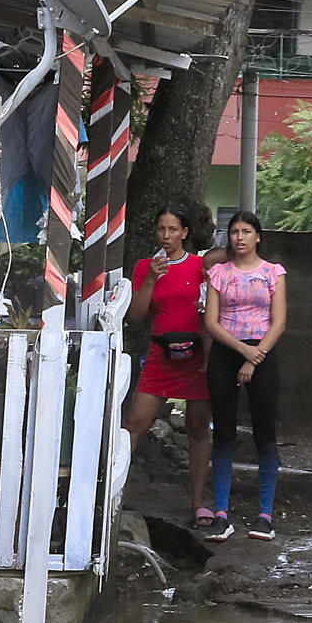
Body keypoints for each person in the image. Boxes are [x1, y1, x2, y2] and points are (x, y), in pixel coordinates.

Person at [122, 205, 216, 528]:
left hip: (196, 356)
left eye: (173, 230)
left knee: (198, 427)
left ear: (185, 233)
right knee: (135, 422)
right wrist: (149, 279)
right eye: (161, 229)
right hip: (161, 355)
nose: (166, 236)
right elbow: (134, 317)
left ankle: (199, 503)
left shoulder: (200, 267)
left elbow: (212, 306)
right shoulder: (145, 267)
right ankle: (113, 495)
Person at [201, 211, 287, 542]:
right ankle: (221, 513)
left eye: (246, 231)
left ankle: (265, 514)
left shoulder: (273, 273)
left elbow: (278, 322)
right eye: (235, 231)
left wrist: (255, 355)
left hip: (263, 352)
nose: (239, 237)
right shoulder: (219, 273)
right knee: (222, 431)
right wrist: (242, 351)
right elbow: (211, 321)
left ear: (258, 237)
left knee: (264, 432)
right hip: (226, 351)